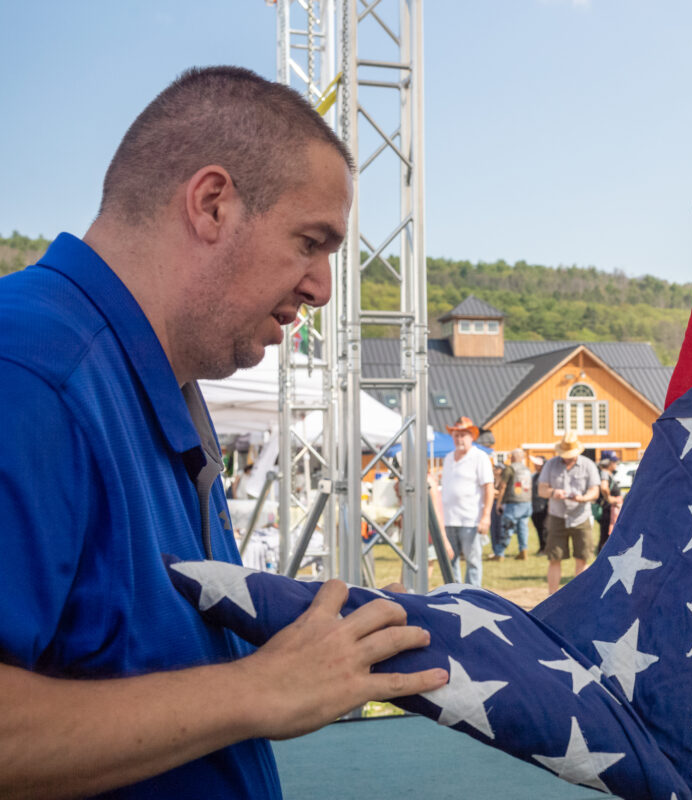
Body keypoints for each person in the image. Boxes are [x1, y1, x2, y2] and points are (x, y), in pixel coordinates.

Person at [0, 66, 447, 798]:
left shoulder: (143, 377)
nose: (323, 287)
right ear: (212, 205)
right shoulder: (29, 374)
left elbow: (126, 647)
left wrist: (302, 632)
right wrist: (259, 690)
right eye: (311, 241)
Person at [537, 433, 600, 595]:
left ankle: (580, 597)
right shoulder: (551, 465)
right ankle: (552, 597)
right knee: (554, 558)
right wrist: (553, 492)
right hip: (557, 517)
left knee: (582, 558)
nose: (567, 458)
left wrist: (583, 498)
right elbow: (541, 489)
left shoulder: (588, 465)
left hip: (581, 517)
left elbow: (595, 491)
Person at [439, 416, 494, 586]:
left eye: (463, 435)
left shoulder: (480, 457)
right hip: (449, 518)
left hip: (471, 518)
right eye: (456, 435)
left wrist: (486, 516)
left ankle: (473, 595)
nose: (459, 439)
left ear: (472, 436)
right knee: (450, 561)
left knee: (473, 561)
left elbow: (488, 487)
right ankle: (454, 594)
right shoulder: (448, 458)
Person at [493, 449, 534, 561]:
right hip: (526, 502)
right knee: (522, 527)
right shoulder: (527, 469)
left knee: (507, 527)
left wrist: (499, 503)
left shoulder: (510, 469)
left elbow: (503, 486)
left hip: (513, 502)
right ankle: (523, 550)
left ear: (512, 457)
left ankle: (500, 553)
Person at [595, 452, 622, 554]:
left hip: (609, 509)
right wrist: (610, 499)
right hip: (607, 509)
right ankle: (602, 554)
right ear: (608, 462)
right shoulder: (605, 473)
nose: (616, 463)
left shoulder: (607, 473)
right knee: (606, 534)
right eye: (614, 461)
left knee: (606, 534)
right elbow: (603, 487)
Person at [530, 455, 549, 555]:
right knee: (539, 528)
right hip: (535, 507)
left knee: (545, 528)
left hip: (544, 507)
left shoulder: (546, 477)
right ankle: (542, 547)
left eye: (537, 464)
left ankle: (545, 548)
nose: (535, 465)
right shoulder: (534, 476)